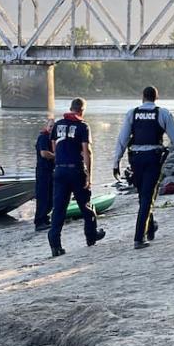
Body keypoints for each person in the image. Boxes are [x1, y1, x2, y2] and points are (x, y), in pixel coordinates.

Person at [112, 86, 174, 250]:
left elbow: (122, 139)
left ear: (142, 97)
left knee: (143, 195)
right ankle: (139, 237)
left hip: (135, 159)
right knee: (147, 197)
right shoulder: (163, 113)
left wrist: (116, 162)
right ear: (156, 97)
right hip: (153, 159)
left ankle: (150, 227)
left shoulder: (132, 113)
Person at [47, 98, 105, 257]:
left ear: (70, 108)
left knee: (59, 208)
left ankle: (55, 244)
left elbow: (54, 147)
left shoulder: (58, 124)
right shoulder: (83, 126)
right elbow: (87, 152)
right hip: (76, 170)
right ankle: (91, 236)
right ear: (82, 110)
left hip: (59, 170)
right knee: (85, 204)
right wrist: (89, 175)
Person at [33, 116, 55, 231]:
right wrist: (57, 156)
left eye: (54, 127)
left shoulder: (53, 138)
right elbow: (44, 153)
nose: (52, 128)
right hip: (43, 171)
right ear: (46, 127)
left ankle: (45, 218)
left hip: (51, 171)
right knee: (42, 197)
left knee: (50, 197)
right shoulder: (43, 137)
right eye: (50, 126)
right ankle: (39, 221)